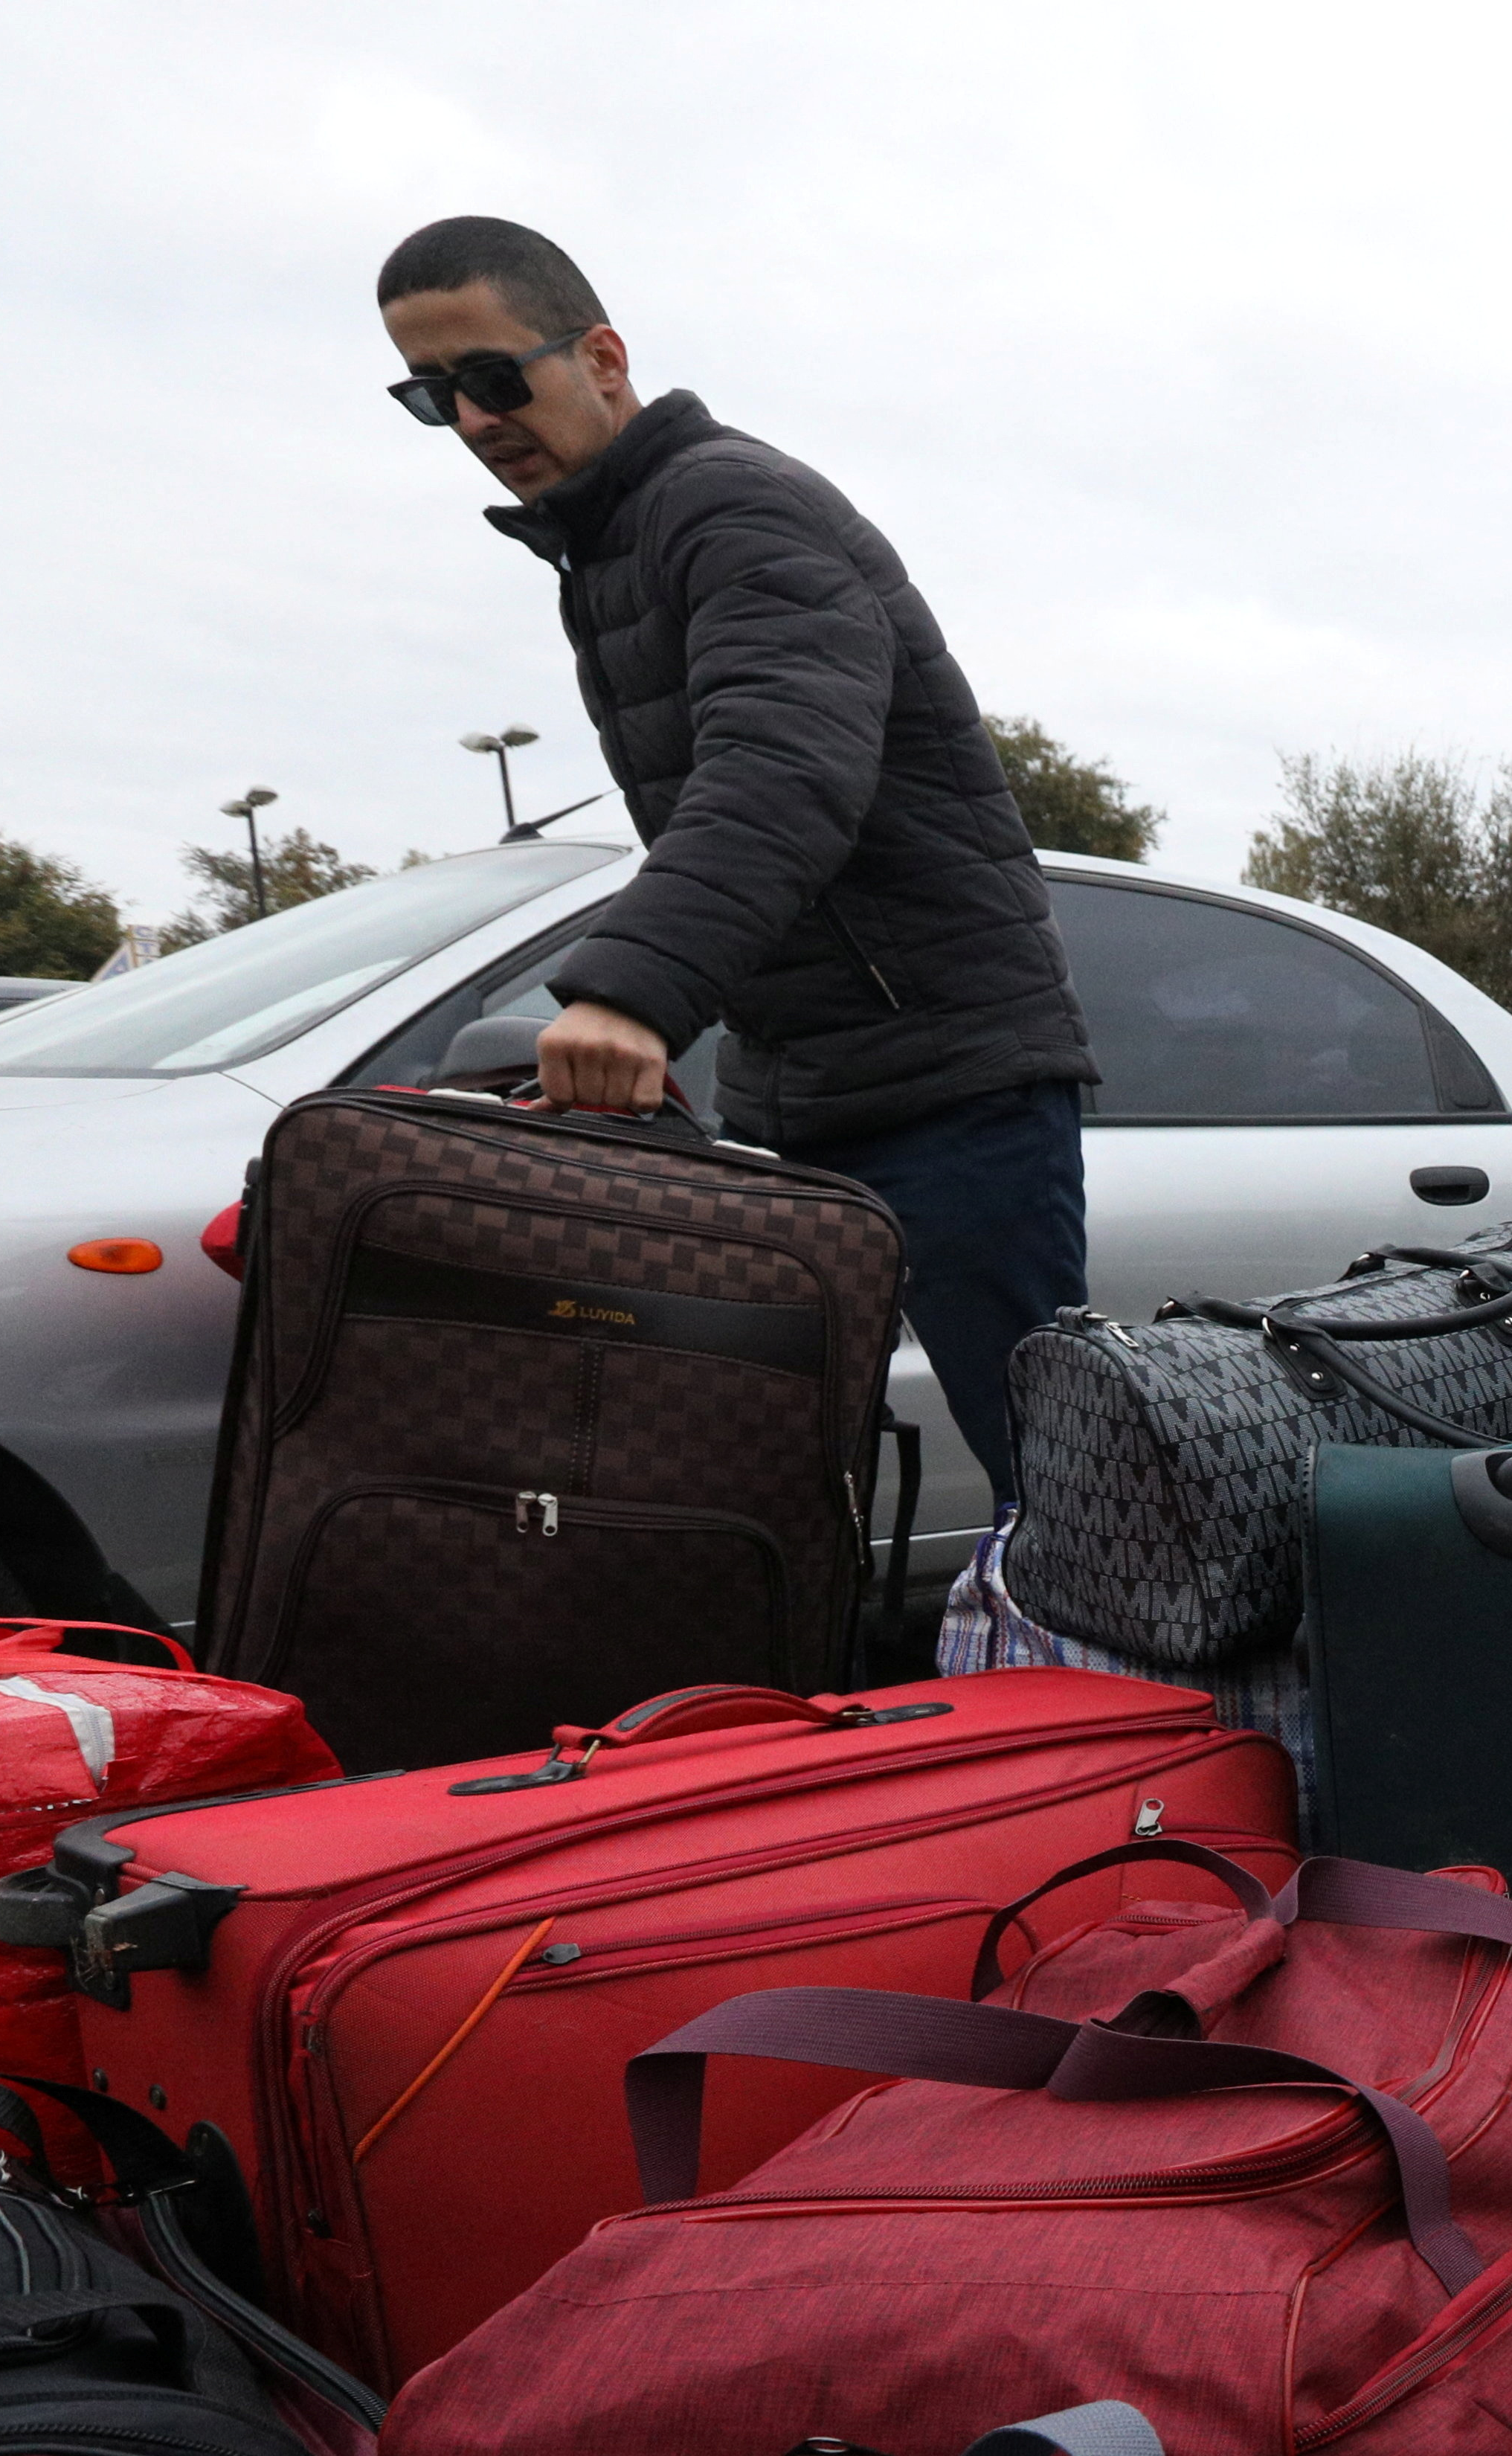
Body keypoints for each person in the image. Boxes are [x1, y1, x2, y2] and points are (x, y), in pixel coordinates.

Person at [375, 216, 1097, 1497]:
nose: (475, 420)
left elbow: (782, 768)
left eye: (494, 377)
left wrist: (630, 989)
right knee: (766, 1472)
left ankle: (1185, 1697)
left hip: (948, 1080)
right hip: (803, 1088)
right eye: (434, 398)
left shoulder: (729, 504)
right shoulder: (610, 546)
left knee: (1069, 1487)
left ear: (602, 357)